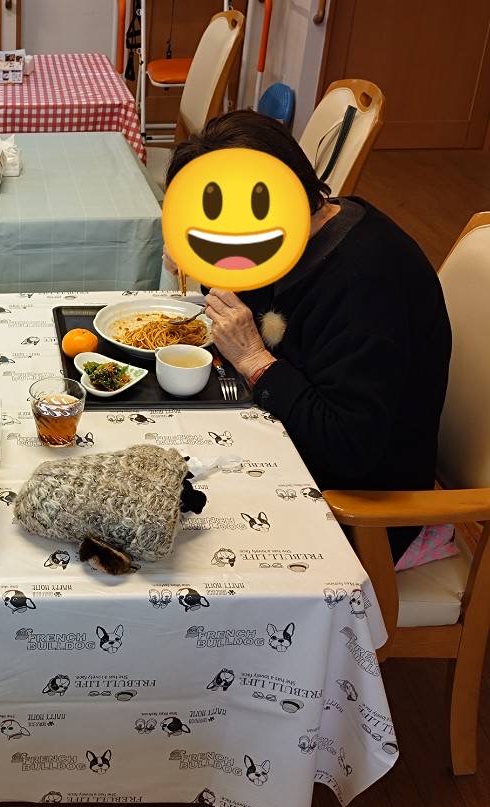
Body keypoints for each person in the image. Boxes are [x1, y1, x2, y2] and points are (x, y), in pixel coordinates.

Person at [164, 110, 452, 562]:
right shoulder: (297, 235)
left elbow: (348, 446)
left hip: (358, 510)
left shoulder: (365, 279)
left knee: (164, 547)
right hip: (282, 444)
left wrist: (255, 360)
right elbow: (254, 300)